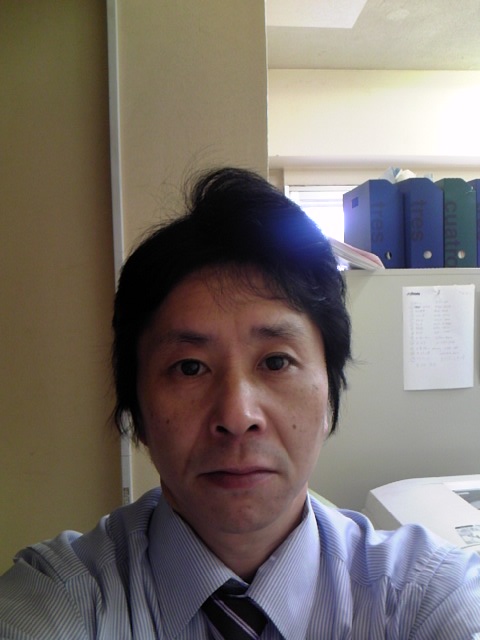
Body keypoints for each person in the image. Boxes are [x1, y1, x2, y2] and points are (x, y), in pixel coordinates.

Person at [0, 167, 479, 639]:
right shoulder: (61, 598)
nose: (236, 415)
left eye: (276, 362)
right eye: (190, 368)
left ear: (330, 395)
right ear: (137, 412)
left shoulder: (425, 595)